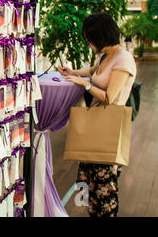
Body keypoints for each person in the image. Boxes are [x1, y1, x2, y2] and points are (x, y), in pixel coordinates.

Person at [57, 13, 137, 217]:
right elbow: (93, 72)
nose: (88, 43)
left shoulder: (123, 59)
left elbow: (110, 97)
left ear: (99, 37)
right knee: (91, 184)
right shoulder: (106, 55)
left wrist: (85, 84)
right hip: (96, 123)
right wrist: (72, 72)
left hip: (108, 127)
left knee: (104, 187)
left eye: (89, 39)